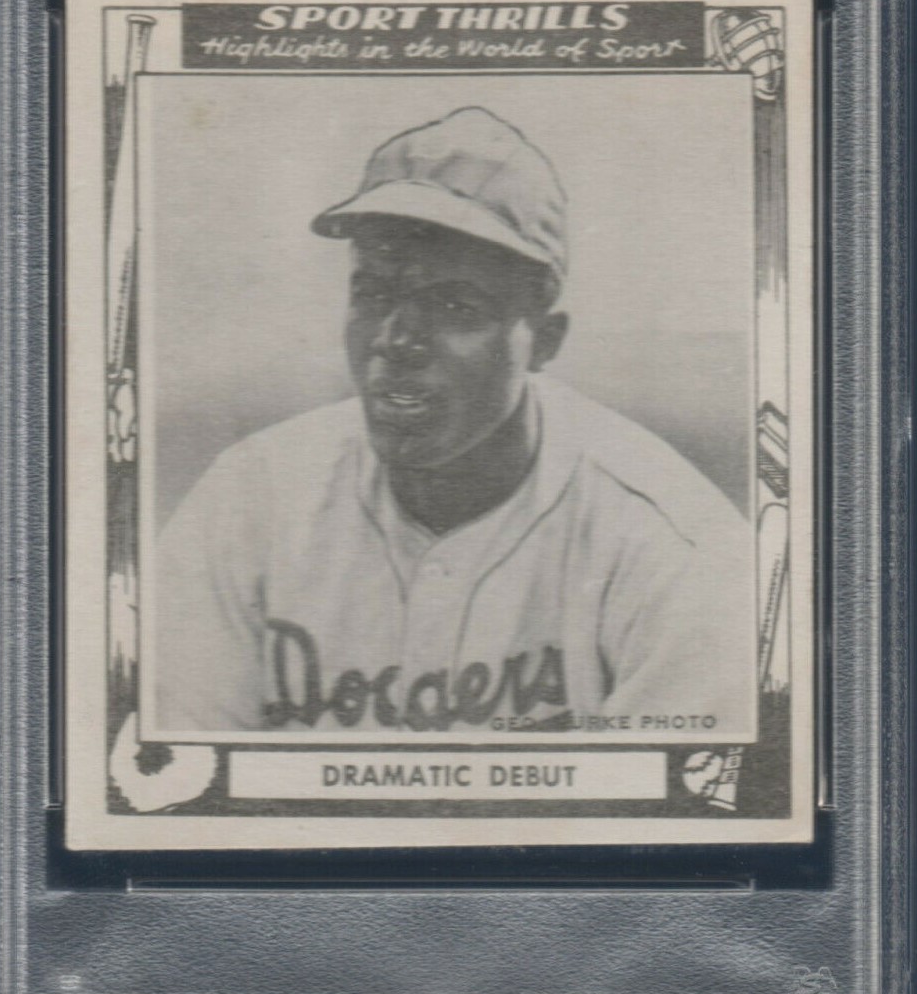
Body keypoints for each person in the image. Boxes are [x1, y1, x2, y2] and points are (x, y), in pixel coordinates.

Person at [154, 106, 755, 736]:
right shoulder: (249, 502)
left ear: (543, 340)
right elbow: (178, 776)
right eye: (374, 296)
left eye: (453, 306)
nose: (397, 339)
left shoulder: (668, 545)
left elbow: (680, 797)